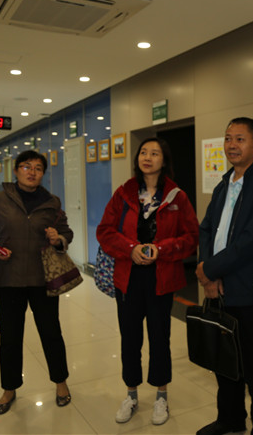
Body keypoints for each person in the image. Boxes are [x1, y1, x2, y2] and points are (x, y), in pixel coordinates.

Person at [96, 137, 199, 426]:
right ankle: (131, 394)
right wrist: (131, 248)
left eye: (154, 153)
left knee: (159, 337)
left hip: (161, 278)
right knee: (130, 338)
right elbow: (105, 231)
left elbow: (191, 237)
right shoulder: (124, 193)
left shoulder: (177, 197)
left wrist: (161, 249)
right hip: (128, 278)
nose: (147, 157)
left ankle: (161, 396)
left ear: (164, 161)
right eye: (143, 152)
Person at [196, 117, 253, 435]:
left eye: (240, 139)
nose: (232, 145)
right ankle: (231, 418)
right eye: (228, 138)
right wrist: (208, 272)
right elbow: (207, 228)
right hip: (220, 289)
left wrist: (210, 270)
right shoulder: (224, 185)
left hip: (252, 292)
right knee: (225, 361)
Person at [0, 150, 73, 415]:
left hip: (44, 279)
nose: (32, 172)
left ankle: (61, 382)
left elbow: (66, 232)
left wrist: (58, 239)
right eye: (27, 166)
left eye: (38, 168)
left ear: (43, 174)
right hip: (8, 278)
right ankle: (9, 388)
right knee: (10, 337)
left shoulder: (52, 202)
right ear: (16, 170)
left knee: (51, 333)